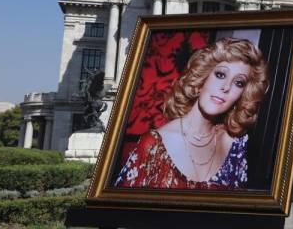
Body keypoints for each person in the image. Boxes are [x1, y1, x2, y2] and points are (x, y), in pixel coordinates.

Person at [113, 38, 269, 190]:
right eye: (220, 75)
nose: (226, 87)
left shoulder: (236, 144)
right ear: (202, 79)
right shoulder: (153, 145)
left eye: (238, 83)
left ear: (242, 95)